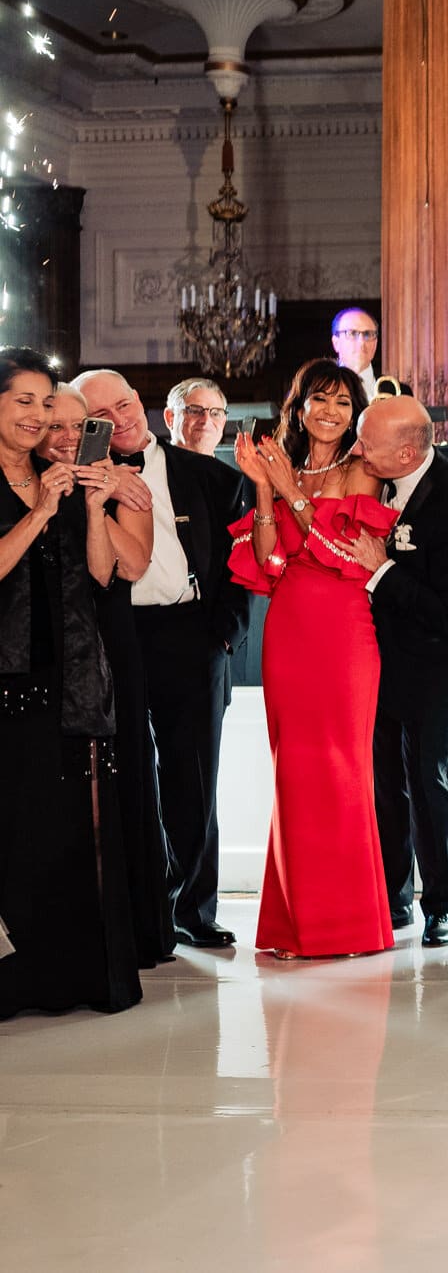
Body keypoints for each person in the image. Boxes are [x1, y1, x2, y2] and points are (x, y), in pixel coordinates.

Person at [75, 368, 249, 951]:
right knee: (126, 776)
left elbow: (239, 564)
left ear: (141, 402)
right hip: (118, 636)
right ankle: (142, 914)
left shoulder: (210, 476)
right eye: (100, 415)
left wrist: (224, 636)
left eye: (124, 403)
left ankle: (196, 910)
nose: (119, 418)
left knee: (193, 779)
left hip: (192, 634)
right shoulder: (78, 481)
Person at [227, 361, 396, 959]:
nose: (330, 412)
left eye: (343, 403)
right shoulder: (283, 468)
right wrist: (267, 488)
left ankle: (347, 926)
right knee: (294, 773)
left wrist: (295, 493)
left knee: (343, 768)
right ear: (298, 407)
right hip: (290, 631)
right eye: (319, 400)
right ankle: (294, 925)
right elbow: (270, 567)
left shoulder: (361, 472)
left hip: (345, 631)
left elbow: (345, 560)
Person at [0, 347, 141, 1018]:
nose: (35, 415)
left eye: (42, 401)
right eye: (21, 401)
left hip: (66, 685)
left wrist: (89, 505)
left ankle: (64, 981)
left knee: (58, 844)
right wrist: (35, 514)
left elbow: (106, 573)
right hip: (3, 686)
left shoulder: (58, 477)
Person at [345, 395, 448, 947]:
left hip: (433, 671)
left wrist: (380, 570)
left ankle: (441, 907)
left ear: (407, 453)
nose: (356, 450)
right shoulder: (373, 477)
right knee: (385, 787)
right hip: (378, 665)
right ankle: (392, 898)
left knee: (430, 787)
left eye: (367, 443)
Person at [37, 383, 165, 966]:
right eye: (53, 425)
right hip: (41, 651)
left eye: (77, 425)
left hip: (110, 642)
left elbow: (131, 566)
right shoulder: (22, 481)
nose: (66, 438)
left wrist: (100, 493)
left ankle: (130, 930)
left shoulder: (124, 484)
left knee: (124, 782)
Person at [164, 378, 229, 457]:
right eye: (195, 411)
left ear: (223, 422)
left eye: (215, 414)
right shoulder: (150, 467)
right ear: (170, 418)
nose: (206, 420)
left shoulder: (231, 469)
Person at [331, 307, 382, 400]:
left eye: (368, 334)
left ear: (375, 344)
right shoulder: (319, 388)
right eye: (352, 333)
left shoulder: (400, 392)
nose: (361, 342)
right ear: (336, 343)